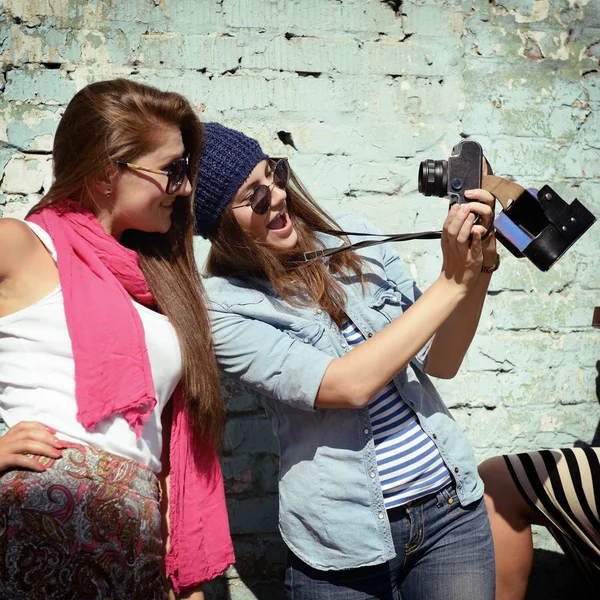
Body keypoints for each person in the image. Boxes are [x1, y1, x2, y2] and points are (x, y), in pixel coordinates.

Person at [194, 123, 500, 600]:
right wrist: (452, 282)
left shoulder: (357, 236)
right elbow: (347, 384)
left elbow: (442, 360)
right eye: (253, 196)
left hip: (449, 518)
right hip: (343, 542)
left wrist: (477, 268)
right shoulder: (223, 307)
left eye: (274, 175)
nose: (276, 196)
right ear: (220, 227)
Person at [0, 80, 234, 600]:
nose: (187, 188)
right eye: (173, 170)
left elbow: (170, 445)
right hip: (44, 523)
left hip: (135, 538)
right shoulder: (20, 244)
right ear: (109, 173)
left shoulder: (156, 284)